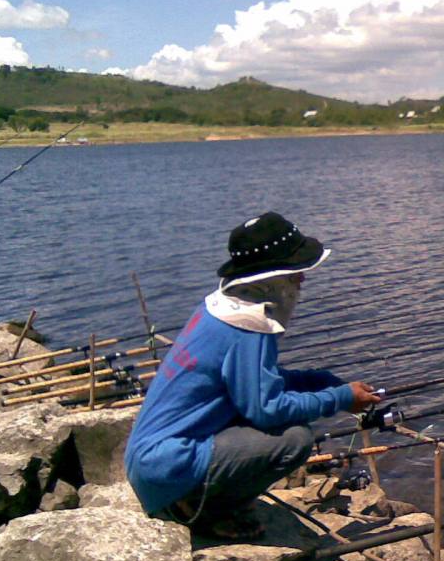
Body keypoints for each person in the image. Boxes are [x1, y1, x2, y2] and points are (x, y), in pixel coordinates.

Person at [124, 211, 380, 539]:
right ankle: (207, 511)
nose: (302, 281)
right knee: (295, 440)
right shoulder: (249, 327)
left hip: (150, 461)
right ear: (271, 278)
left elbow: (250, 384)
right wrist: (341, 398)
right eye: (295, 274)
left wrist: (319, 381)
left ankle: (194, 498)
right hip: (168, 467)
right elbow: (267, 410)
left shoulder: (220, 310)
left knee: (288, 420)